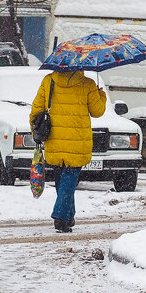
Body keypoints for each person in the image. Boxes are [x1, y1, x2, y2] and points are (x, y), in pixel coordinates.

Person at [31, 70, 107, 232]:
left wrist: (35, 131)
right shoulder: (88, 84)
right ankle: (60, 216)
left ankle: (69, 215)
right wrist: (102, 96)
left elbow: (37, 108)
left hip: (54, 139)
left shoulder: (49, 80)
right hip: (77, 140)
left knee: (62, 179)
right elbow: (98, 111)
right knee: (70, 179)